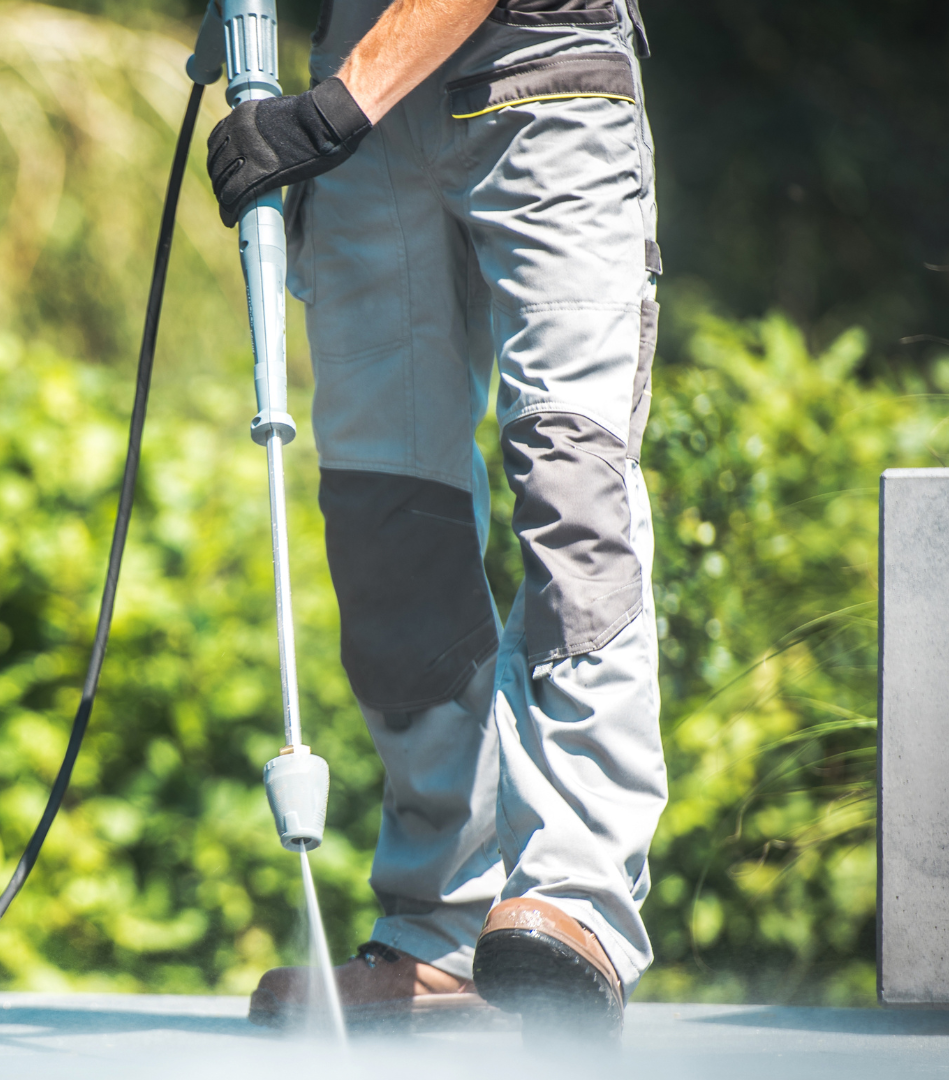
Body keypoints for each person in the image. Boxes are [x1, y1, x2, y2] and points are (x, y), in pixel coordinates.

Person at [205, 0, 665, 1038]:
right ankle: (440, 927)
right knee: (385, 517)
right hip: (357, 97)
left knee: (572, 489)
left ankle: (576, 896)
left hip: (541, 78)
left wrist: (328, 114)